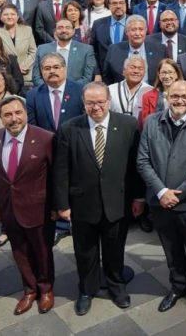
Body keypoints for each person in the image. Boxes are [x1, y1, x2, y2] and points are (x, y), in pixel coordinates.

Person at [54, 82, 144, 316]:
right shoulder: (69, 128)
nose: (96, 107)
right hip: (82, 203)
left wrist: (139, 197)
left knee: (115, 249)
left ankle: (116, 286)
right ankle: (86, 290)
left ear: (109, 101)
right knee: (85, 251)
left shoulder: (128, 125)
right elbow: (61, 169)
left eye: (100, 102)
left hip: (117, 202)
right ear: (83, 104)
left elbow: (135, 166)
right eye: (90, 103)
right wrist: (62, 205)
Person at [138, 80, 186, 314]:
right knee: (171, 250)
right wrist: (162, 192)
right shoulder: (152, 122)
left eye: (184, 96)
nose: (179, 100)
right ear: (167, 98)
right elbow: (142, 161)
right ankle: (177, 287)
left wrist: (177, 194)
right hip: (160, 203)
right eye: (174, 96)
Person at [0, 96, 56, 315]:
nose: (13, 119)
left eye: (18, 113)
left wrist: (56, 207)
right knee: (19, 251)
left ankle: (45, 289)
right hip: (9, 208)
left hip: (39, 208)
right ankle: (29, 290)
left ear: (26, 113)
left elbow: (56, 176)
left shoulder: (45, 138)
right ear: (0, 118)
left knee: (42, 251)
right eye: (7, 115)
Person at [0, 4, 37, 84]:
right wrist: (14, 69)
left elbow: (33, 52)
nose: (9, 17)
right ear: (1, 17)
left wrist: (24, 66)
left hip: (25, 74)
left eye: (12, 14)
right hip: (6, 75)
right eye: (6, 14)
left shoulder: (27, 30)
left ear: (17, 17)